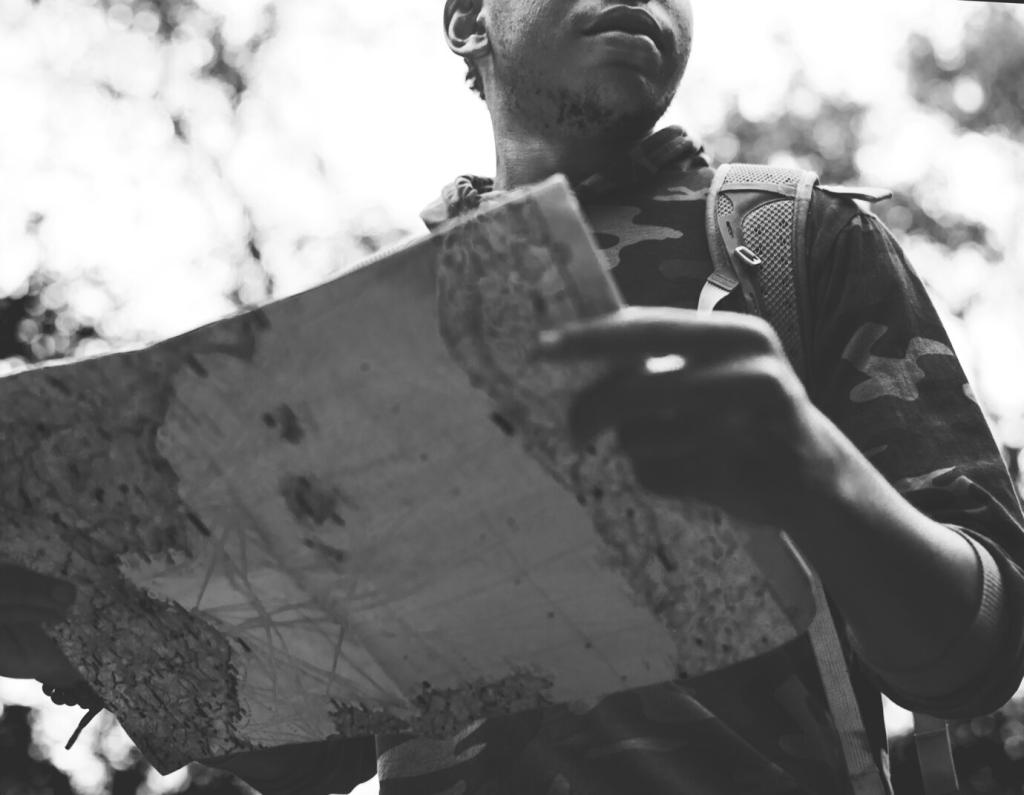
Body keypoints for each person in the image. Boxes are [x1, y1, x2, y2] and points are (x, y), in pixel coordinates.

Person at [3, 1, 1024, 793]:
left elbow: (983, 648)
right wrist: (114, 643)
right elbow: (329, 741)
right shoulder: (365, 335)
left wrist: (817, 479)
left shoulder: (790, 244)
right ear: (468, 22)